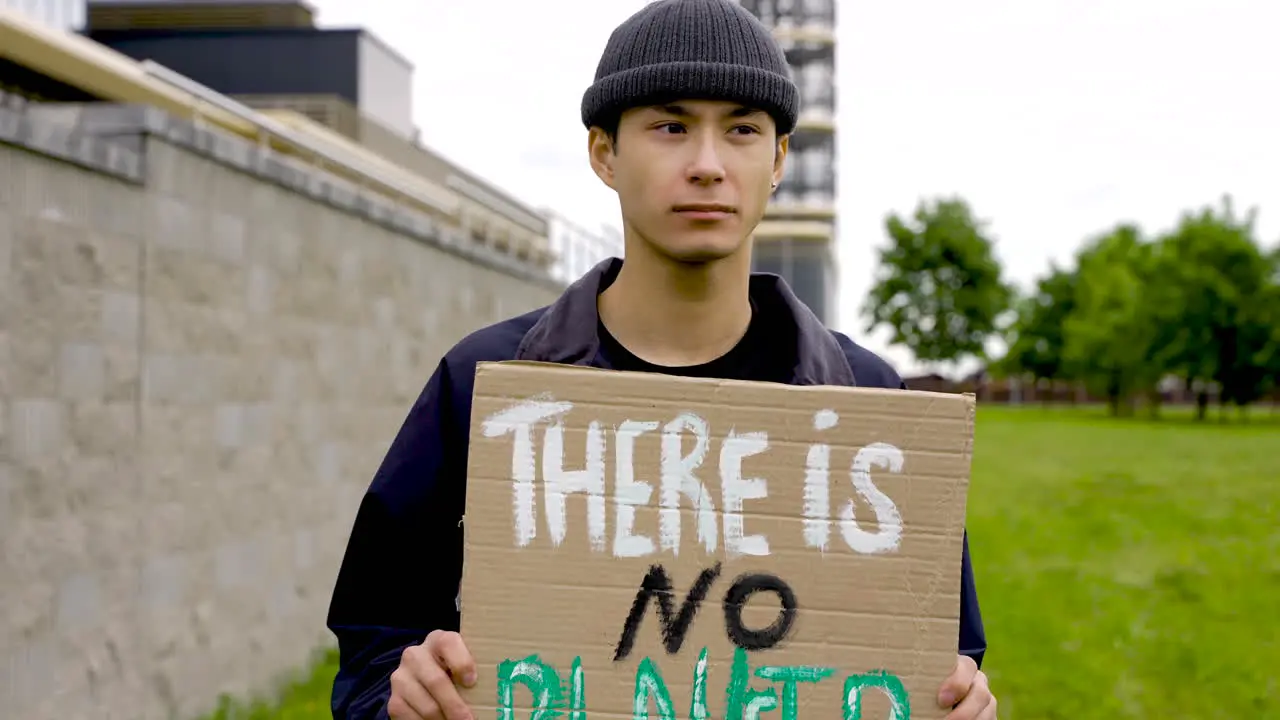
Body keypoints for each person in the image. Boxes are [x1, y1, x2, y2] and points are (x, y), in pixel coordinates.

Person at [326, 0, 995, 718]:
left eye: (741, 129)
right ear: (604, 153)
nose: (707, 165)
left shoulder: (866, 400)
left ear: (778, 161)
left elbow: (934, 654)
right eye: (671, 127)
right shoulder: (490, 383)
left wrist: (960, 701)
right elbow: (374, 645)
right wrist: (401, 694)